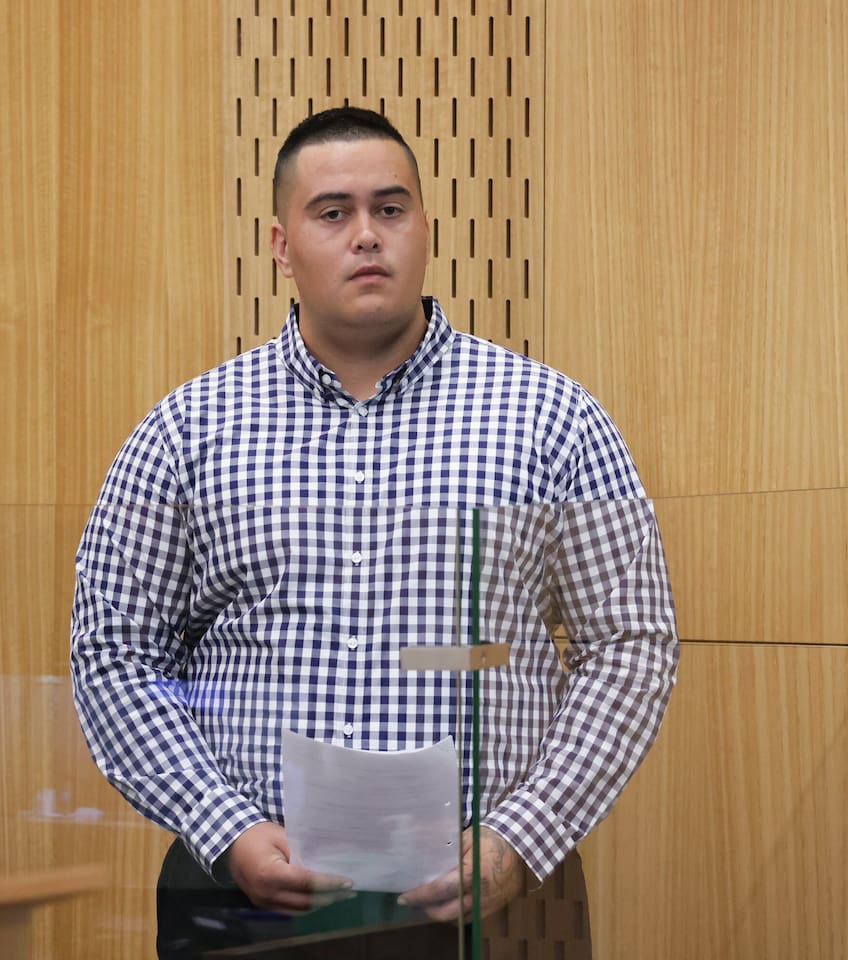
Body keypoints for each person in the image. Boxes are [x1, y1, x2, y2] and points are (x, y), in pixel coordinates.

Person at [71, 106, 678, 959]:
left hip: (488, 909)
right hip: (247, 906)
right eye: (333, 213)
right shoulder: (187, 431)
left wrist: (524, 836)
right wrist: (226, 826)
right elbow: (113, 653)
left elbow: (632, 642)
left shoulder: (553, 419)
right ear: (281, 246)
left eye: (391, 210)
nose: (366, 236)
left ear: (426, 228)